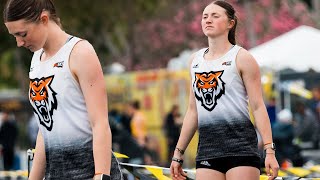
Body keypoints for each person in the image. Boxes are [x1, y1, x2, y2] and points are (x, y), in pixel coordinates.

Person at [3, 0, 123, 179]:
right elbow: (46, 129)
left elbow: (100, 124)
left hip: (89, 172)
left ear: (44, 19)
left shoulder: (80, 52)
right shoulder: (36, 59)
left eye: (23, 34)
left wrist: (101, 175)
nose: (19, 43)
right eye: (14, 36)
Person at [170, 1, 279, 180]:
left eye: (215, 16)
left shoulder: (242, 57)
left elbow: (258, 107)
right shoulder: (194, 61)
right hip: (207, 151)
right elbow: (192, 111)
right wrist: (178, 153)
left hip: (241, 148)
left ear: (231, 23)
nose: (208, 20)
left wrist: (269, 151)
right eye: (205, 16)